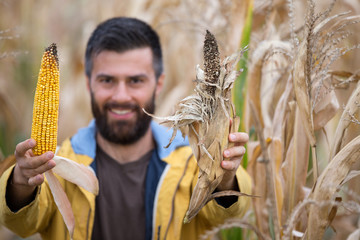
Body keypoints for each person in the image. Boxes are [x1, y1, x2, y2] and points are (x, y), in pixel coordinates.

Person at [0, 17, 251, 240]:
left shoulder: (191, 165)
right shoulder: (57, 165)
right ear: (88, 83)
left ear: (158, 83)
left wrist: (224, 177)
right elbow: (21, 223)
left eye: (135, 81)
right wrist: (22, 182)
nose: (121, 96)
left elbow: (227, 217)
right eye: (107, 80)